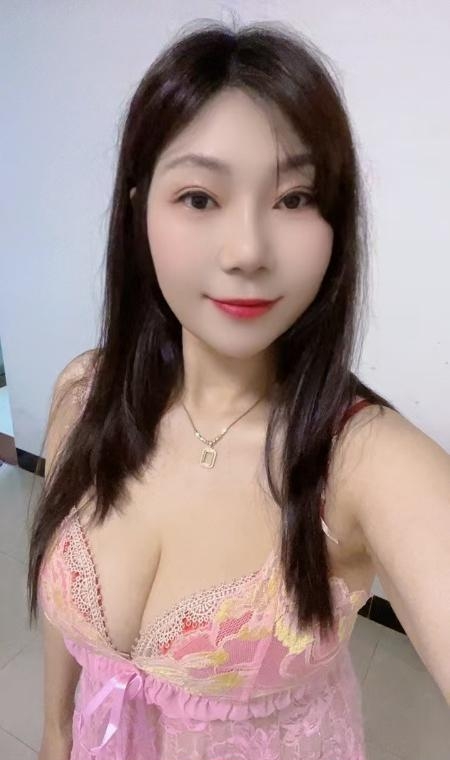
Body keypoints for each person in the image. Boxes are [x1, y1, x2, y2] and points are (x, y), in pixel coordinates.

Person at [28, 17, 450, 760]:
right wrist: (57, 732)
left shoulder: (365, 460)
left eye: (295, 199)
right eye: (199, 197)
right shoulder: (84, 393)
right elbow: (70, 634)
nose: (248, 250)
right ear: (138, 209)